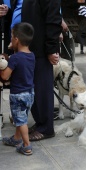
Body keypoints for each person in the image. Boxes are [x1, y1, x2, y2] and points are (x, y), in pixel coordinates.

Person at [10, 0, 62, 141]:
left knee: (42, 89)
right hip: (26, 47)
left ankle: (46, 128)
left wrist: (51, 48)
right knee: (31, 89)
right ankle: (40, 123)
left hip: (40, 48)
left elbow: (53, 19)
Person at [1, 22, 35, 155]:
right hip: (30, 93)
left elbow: (5, 76)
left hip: (18, 95)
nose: (10, 40)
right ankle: (16, 138)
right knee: (22, 117)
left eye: (11, 38)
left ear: (16, 40)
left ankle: (27, 146)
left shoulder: (14, 58)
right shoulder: (31, 55)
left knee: (20, 121)